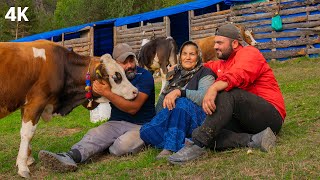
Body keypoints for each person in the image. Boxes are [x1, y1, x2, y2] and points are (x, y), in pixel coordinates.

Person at [168, 24, 286, 164]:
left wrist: (213, 88)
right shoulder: (222, 64)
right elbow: (204, 66)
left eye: (219, 43)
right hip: (246, 120)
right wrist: (180, 65)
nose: (215, 46)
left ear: (234, 43)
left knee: (227, 93)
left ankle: (198, 144)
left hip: (270, 115)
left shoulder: (249, 53)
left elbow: (238, 74)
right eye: (215, 43)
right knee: (204, 129)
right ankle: (255, 139)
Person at [38, 43, 156, 172]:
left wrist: (106, 93)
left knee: (121, 147)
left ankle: (117, 143)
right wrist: (88, 92)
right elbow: (91, 107)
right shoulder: (110, 77)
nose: (129, 66)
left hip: (141, 125)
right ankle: (69, 157)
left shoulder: (144, 76)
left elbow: (133, 108)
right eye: (124, 62)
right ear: (116, 63)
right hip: (116, 123)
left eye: (131, 60)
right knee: (94, 134)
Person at [140, 41, 216, 160]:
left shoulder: (205, 72)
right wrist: (158, 117)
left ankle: (170, 148)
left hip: (196, 117)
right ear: (180, 56)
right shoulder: (175, 74)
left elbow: (204, 97)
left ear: (198, 56)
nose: (188, 57)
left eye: (192, 54)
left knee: (181, 103)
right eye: (184, 54)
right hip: (173, 115)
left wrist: (180, 92)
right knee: (145, 130)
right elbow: (163, 97)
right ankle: (187, 145)